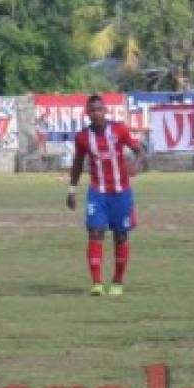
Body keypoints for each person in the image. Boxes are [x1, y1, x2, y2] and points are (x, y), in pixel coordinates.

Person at [66, 94, 144, 297]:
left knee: (120, 237)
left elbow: (139, 150)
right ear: (87, 113)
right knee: (95, 232)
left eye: (99, 109)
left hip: (121, 193)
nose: (96, 113)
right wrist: (72, 190)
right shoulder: (83, 137)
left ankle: (117, 281)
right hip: (98, 193)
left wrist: (135, 165)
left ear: (105, 110)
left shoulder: (119, 129)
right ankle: (97, 283)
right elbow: (76, 165)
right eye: (92, 110)